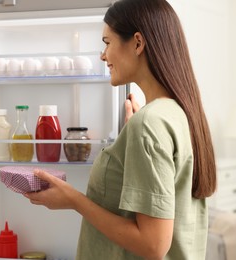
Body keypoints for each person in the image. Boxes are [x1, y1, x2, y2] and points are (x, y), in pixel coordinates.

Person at [24, 0, 217, 259]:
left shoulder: (150, 124)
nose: (103, 55)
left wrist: (73, 200)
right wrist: (134, 135)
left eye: (107, 43)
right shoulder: (178, 113)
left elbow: (153, 245)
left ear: (138, 43)